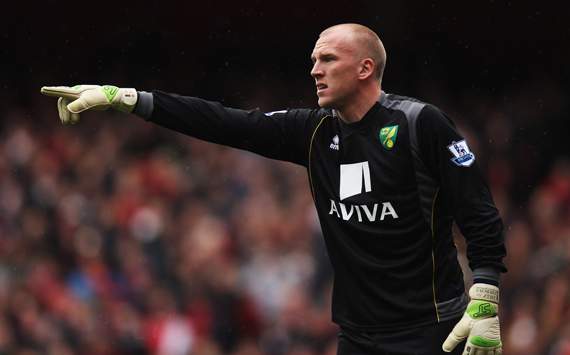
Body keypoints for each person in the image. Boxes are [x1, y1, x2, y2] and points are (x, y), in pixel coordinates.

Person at [41, 23, 506, 355]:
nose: (315, 70)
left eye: (327, 59)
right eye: (313, 61)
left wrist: (485, 297)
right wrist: (130, 99)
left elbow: (478, 211)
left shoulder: (419, 124)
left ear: (366, 68)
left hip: (431, 328)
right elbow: (225, 123)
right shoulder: (314, 133)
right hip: (358, 335)